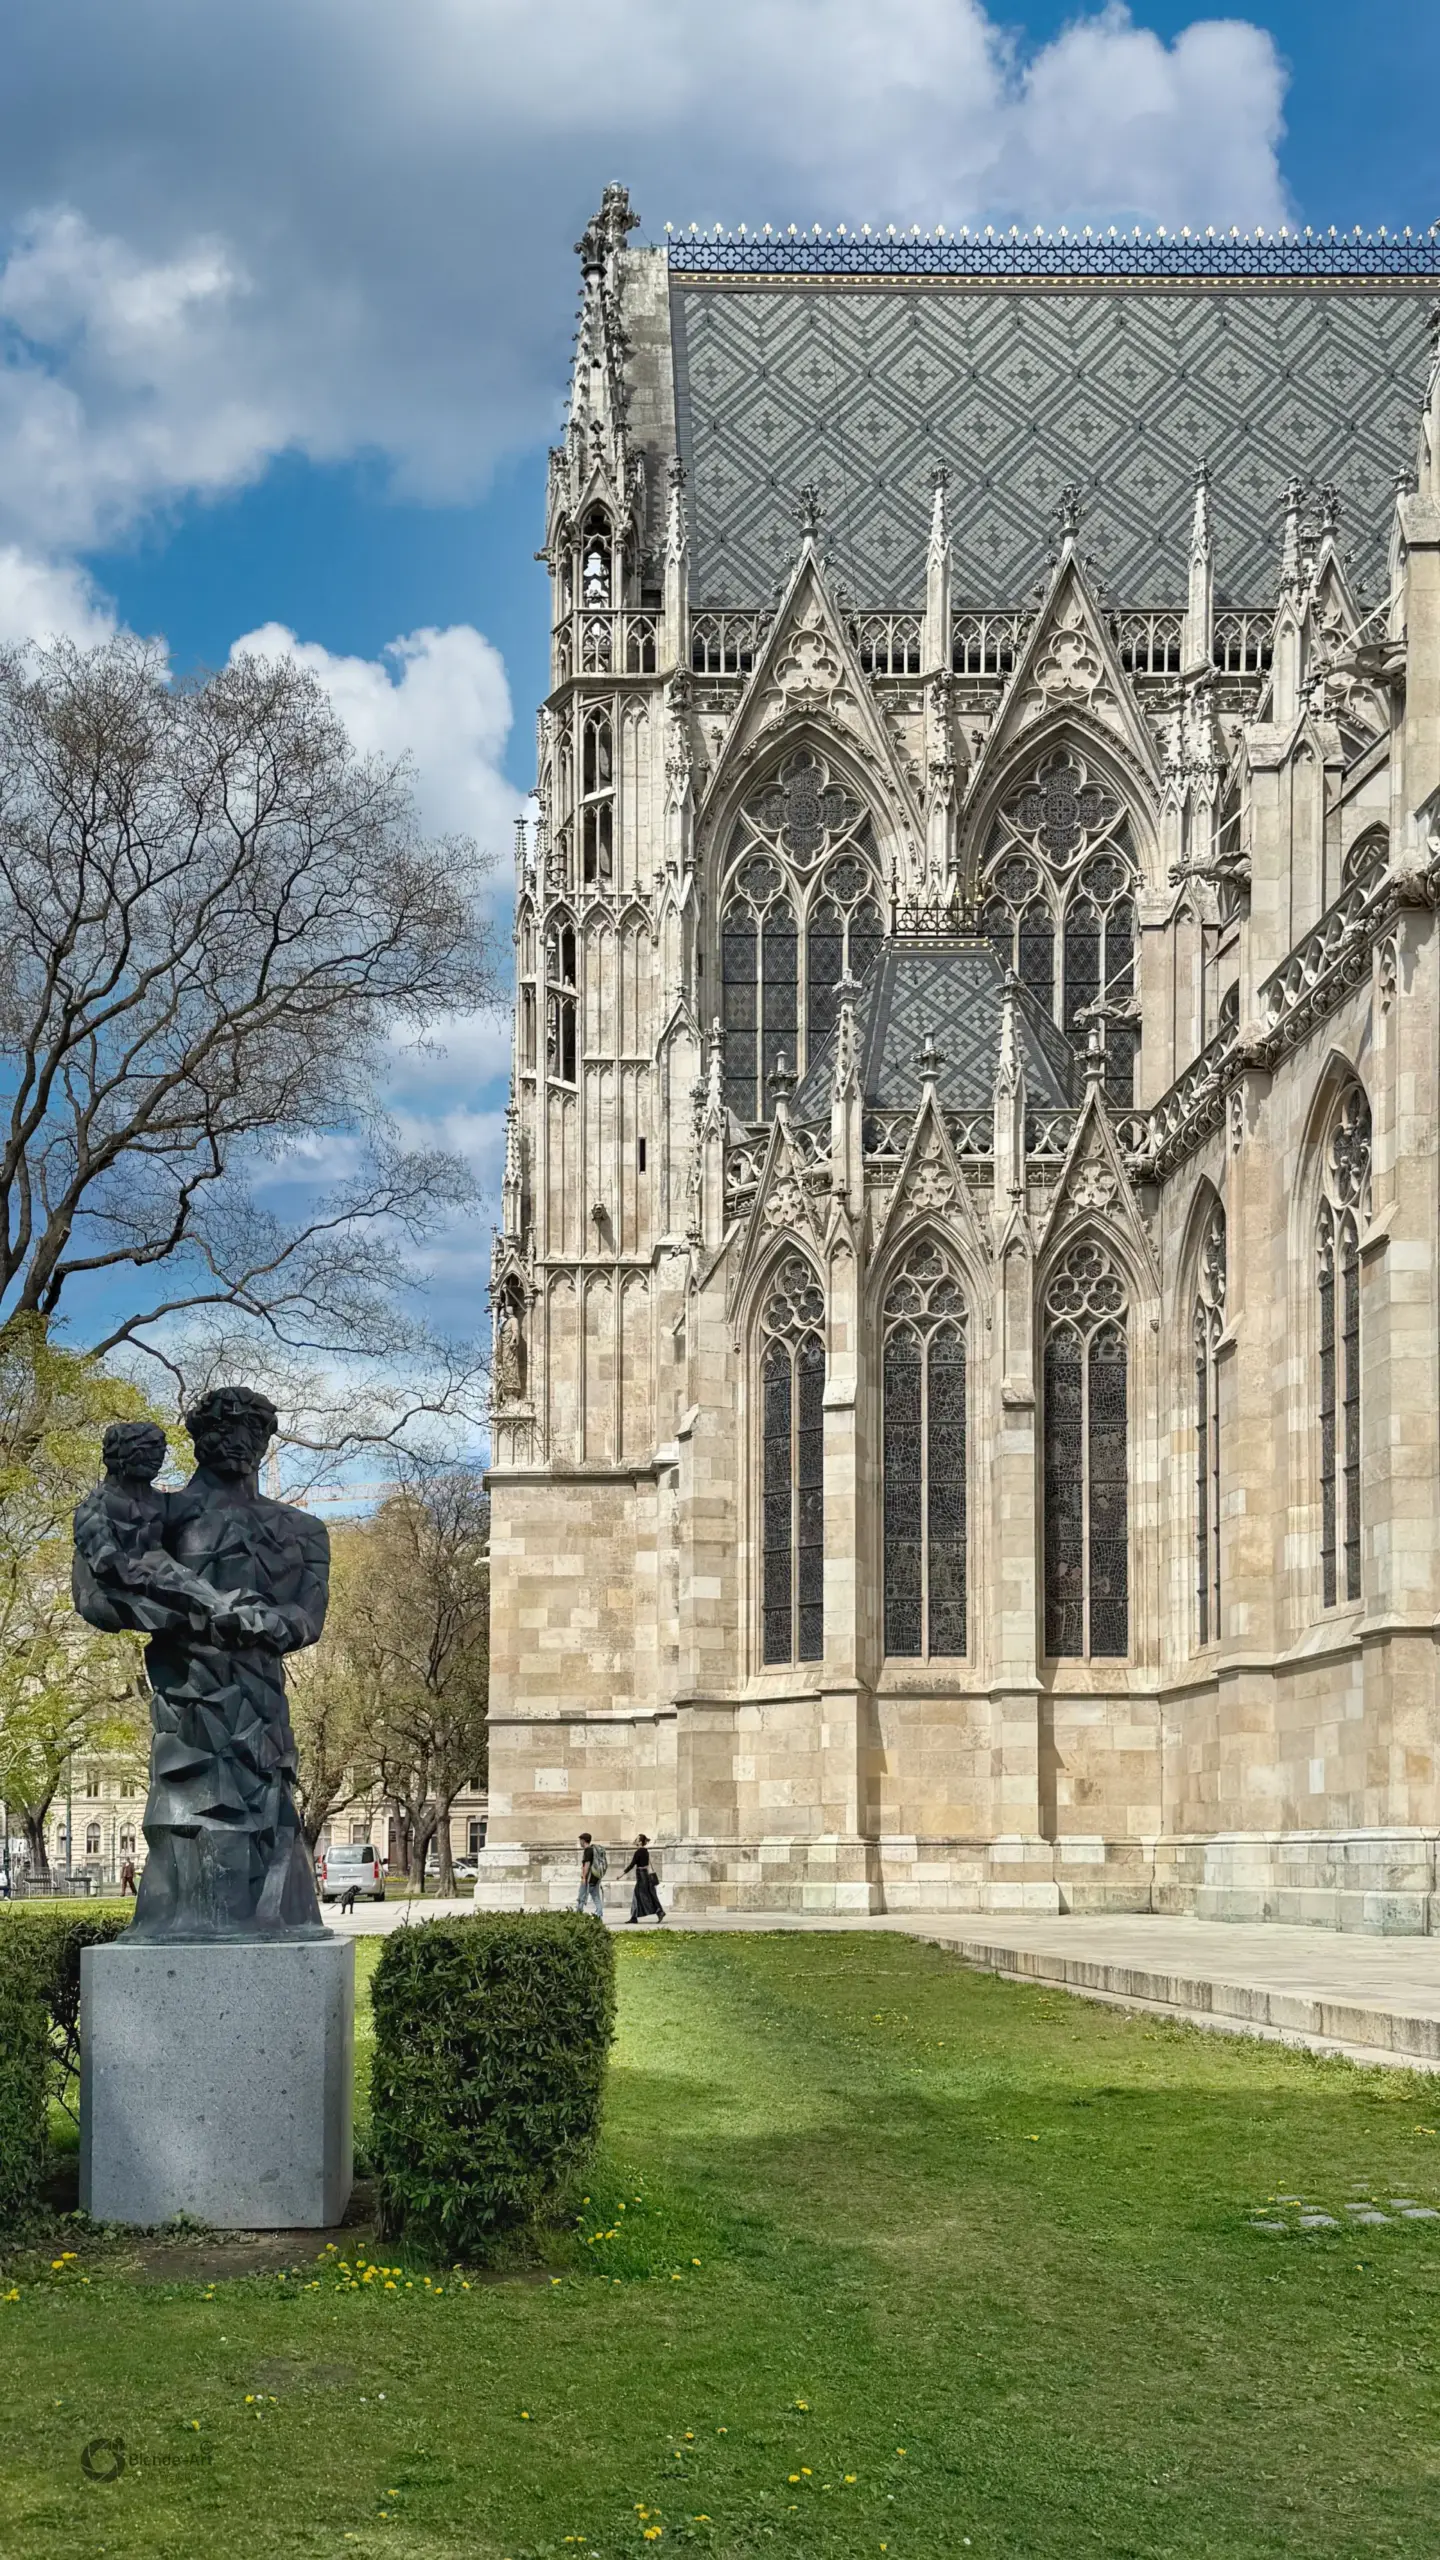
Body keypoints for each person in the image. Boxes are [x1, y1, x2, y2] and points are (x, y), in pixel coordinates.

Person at [623, 1834, 664, 1925]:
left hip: (641, 1876)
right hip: (645, 1875)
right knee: (646, 1895)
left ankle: (658, 1912)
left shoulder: (638, 1852)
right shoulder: (646, 1851)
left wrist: (622, 1874)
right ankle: (635, 1917)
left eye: (637, 1839)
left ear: (640, 1842)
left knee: (640, 1896)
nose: (635, 1840)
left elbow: (632, 1864)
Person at [576, 1832, 607, 1919]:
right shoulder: (593, 1850)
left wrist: (584, 1877)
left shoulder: (588, 1850)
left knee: (582, 1895)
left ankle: (578, 1913)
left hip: (589, 1877)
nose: (580, 1842)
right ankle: (599, 1913)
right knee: (595, 1895)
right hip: (595, 1877)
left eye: (580, 1840)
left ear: (583, 1841)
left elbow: (587, 1864)